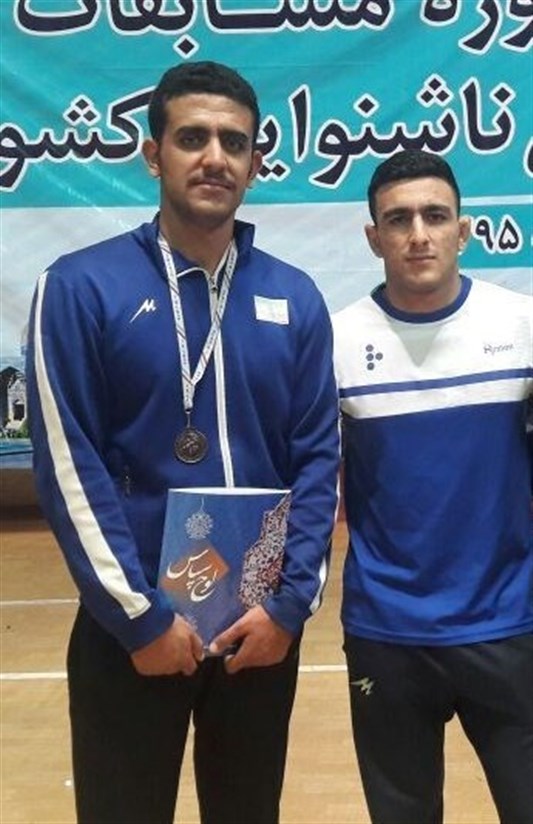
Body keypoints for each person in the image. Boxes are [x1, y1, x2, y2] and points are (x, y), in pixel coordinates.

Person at [25, 61, 339, 824]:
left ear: (256, 164)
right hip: (132, 630)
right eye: (192, 138)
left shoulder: (294, 297)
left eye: (235, 142)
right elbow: (69, 464)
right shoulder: (80, 287)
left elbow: (317, 461)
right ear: (152, 154)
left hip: (256, 632)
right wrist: (138, 616)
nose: (214, 157)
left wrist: (288, 609)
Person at [333, 149, 533, 824]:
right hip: (387, 634)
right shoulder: (336, 342)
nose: (418, 234)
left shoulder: (522, 325)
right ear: (373, 237)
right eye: (398, 220)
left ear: (463, 230)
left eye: (435, 216)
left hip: (509, 627)